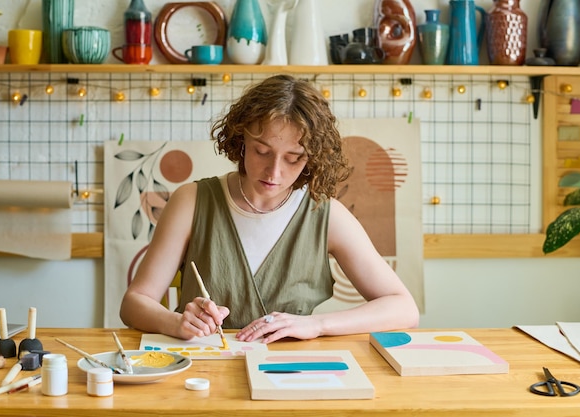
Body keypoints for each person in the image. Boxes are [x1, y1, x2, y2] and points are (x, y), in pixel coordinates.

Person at [120, 74, 419, 344]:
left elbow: (404, 308)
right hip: (203, 375)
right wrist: (177, 323)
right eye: (262, 151)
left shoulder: (327, 216)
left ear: (312, 158)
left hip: (292, 379)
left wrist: (316, 324)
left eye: (293, 157)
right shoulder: (191, 201)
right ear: (241, 140)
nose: (273, 172)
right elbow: (134, 303)